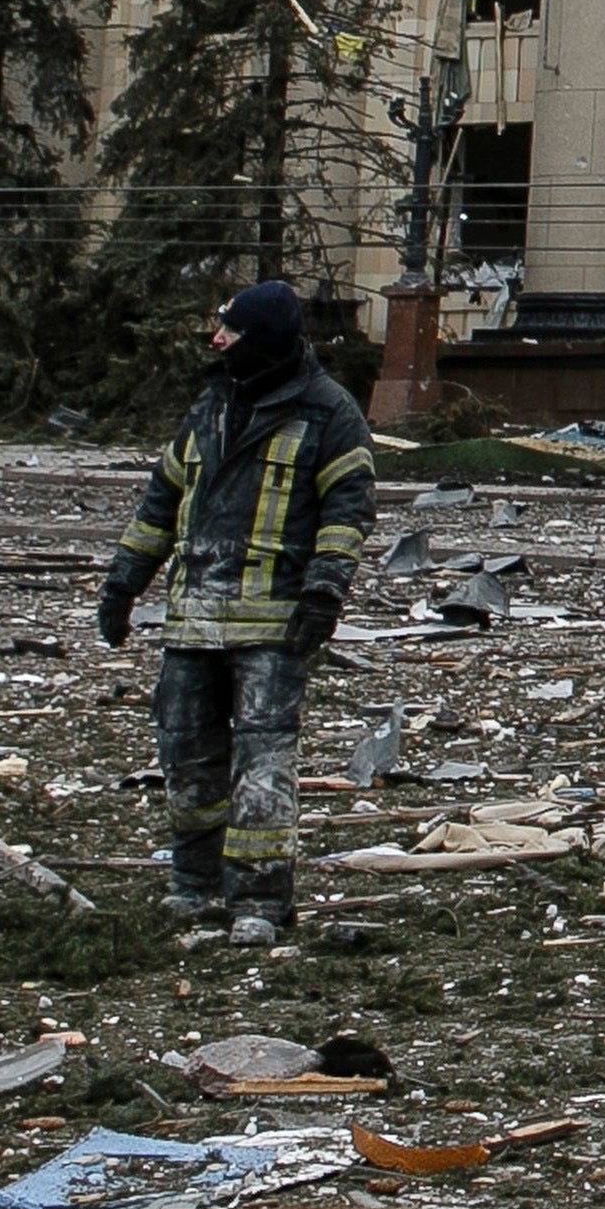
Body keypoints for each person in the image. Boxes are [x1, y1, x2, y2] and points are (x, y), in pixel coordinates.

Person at [98, 277, 376, 946]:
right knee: (187, 760)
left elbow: (349, 512)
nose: (217, 339)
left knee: (262, 769)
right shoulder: (210, 407)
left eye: (231, 330)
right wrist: (123, 584)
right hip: (192, 621)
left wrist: (323, 594)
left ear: (265, 341)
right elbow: (160, 503)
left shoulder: (328, 414)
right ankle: (194, 885)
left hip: (272, 629)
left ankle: (260, 902)